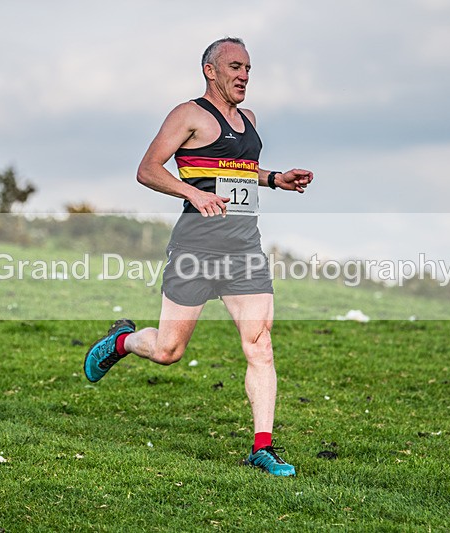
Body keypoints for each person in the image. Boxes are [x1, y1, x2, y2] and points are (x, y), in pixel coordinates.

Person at [83, 37, 314, 477]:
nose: (244, 75)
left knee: (260, 345)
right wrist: (192, 193)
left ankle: (262, 448)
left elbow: (236, 173)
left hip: (244, 248)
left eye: (248, 67)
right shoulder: (188, 114)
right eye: (234, 66)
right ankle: (120, 341)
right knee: (169, 350)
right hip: (196, 247)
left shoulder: (249, 119)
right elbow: (147, 168)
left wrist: (275, 178)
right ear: (211, 70)